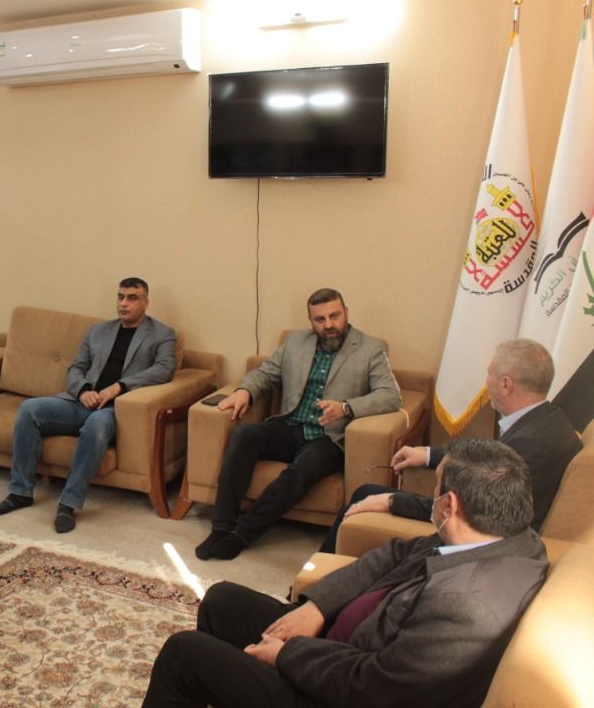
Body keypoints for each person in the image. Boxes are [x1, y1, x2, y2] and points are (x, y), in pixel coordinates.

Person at [143, 437, 548, 708]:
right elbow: (392, 554)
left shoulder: (464, 606)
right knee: (222, 600)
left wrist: (286, 655)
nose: (431, 497)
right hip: (341, 645)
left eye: (435, 489)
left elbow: (376, 688)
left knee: (184, 653)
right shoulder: (505, 536)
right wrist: (317, 607)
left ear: (449, 505)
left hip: (337, 691)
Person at [320, 338, 581, 553]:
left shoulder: (529, 444)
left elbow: (470, 509)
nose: (486, 383)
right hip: (480, 518)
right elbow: (486, 455)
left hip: (484, 539)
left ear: (505, 384)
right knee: (365, 491)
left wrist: (392, 501)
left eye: (489, 375)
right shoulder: (548, 420)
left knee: (364, 497)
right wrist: (427, 454)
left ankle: (313, 578)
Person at [195, 288, 400, 560]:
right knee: (245, 435)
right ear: (311, 320)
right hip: (290, 426)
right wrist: (244, 391)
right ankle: (221, 528)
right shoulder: (295, 342)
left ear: (346, 313)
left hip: (329, 437)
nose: (328, 325)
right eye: (320, 319)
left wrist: (346, 407)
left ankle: (242, 535)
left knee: (303, 468)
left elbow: (390, 395)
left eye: (334, 316)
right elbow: (266, 373)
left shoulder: (370, 348)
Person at [0, 277, 176, 533]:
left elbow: (164, 370)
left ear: (146, 303)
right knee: (29, 410)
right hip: (81, 402)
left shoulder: (162, 334)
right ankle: (20, 492)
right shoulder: (97, 331)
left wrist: (120, 386)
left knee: (95, 426)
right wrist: (84, 390)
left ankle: (68, 503)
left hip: (114, 410)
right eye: (120, 297)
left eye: (132, 298)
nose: (124, 303)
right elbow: (76, 367)